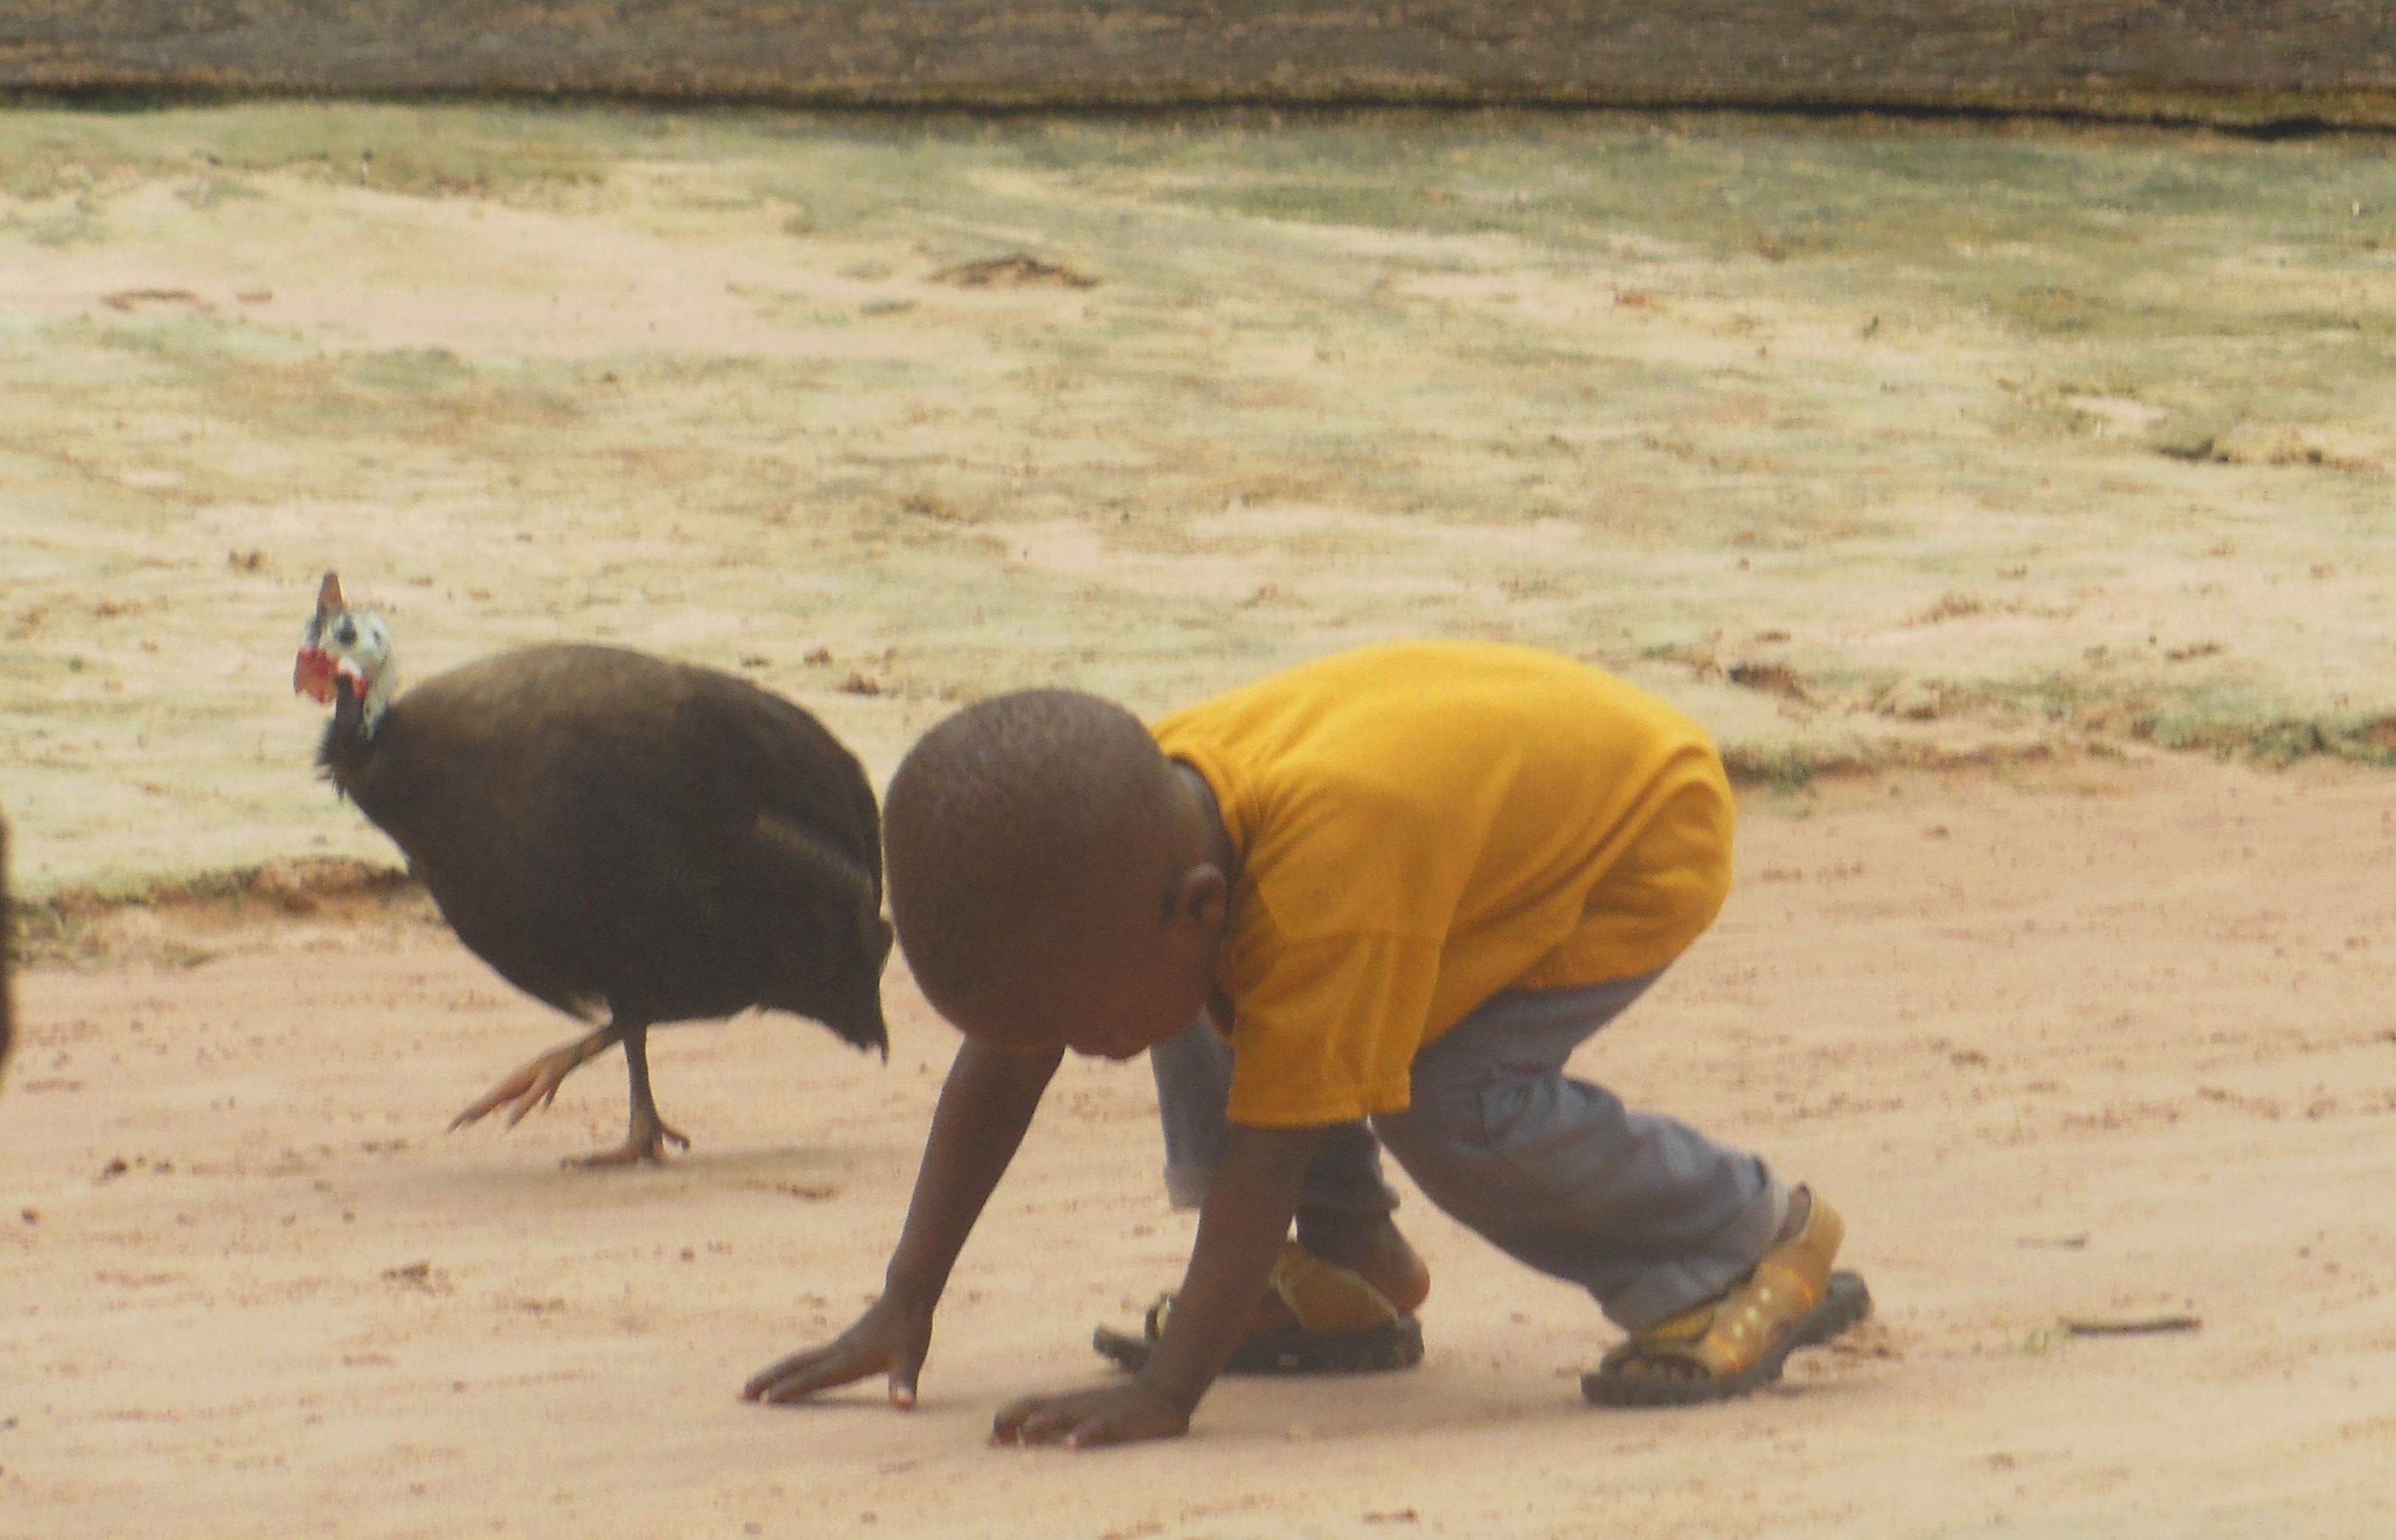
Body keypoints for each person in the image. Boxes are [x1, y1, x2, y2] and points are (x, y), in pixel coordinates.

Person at [743, 641, 1868, 1447]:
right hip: (1452, 805)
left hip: (1630, 835)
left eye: (1089, 1027)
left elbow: (1268, 1149)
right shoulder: (1144, 845)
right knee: (1226, 1005)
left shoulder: (1319, 895)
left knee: (1446, 1101)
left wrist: (1168, 1396)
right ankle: (1342, 1263)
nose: (1091, 1053)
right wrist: (906, 1297)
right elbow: (1009, 1057)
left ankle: (1739, 1242)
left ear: (1196, 903)